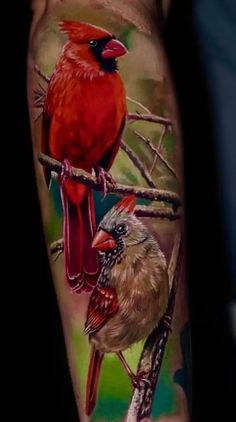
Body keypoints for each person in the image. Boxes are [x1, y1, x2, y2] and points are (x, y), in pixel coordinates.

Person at [28, 1, 191, 421]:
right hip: (66, 172)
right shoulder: (66, 77)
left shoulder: (113, 85)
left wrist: (101, 173)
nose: (113, 47)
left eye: (110, 44)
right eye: (100, 46)